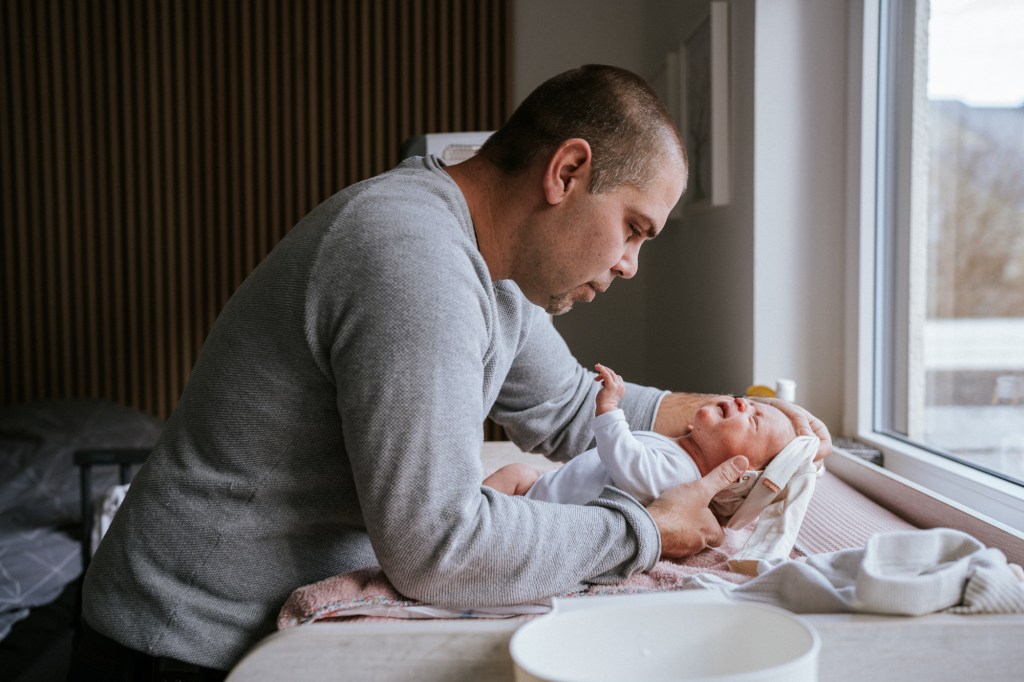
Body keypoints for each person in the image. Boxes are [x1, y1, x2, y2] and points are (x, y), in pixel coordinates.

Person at [72, 64, 831, 677]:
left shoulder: (493, 271)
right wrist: (643, 531)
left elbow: (570, 408)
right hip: (179, 645)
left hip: (252, 634)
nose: (630, 265)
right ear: (567, 170)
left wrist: (752, 421)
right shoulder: (413, 263)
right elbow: (439, 547)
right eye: (632, 229)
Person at [484, 363, 803, 507]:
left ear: (737, 476)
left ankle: (462, 521)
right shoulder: (678, 452)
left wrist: (609, 409)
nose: (741, 403)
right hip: (549, 492)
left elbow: (628, 464)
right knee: (518, 474)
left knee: (514, 475)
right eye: (747, 402)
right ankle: (464, 515)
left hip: (552, 515)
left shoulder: (682, 476)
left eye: (754, 420)